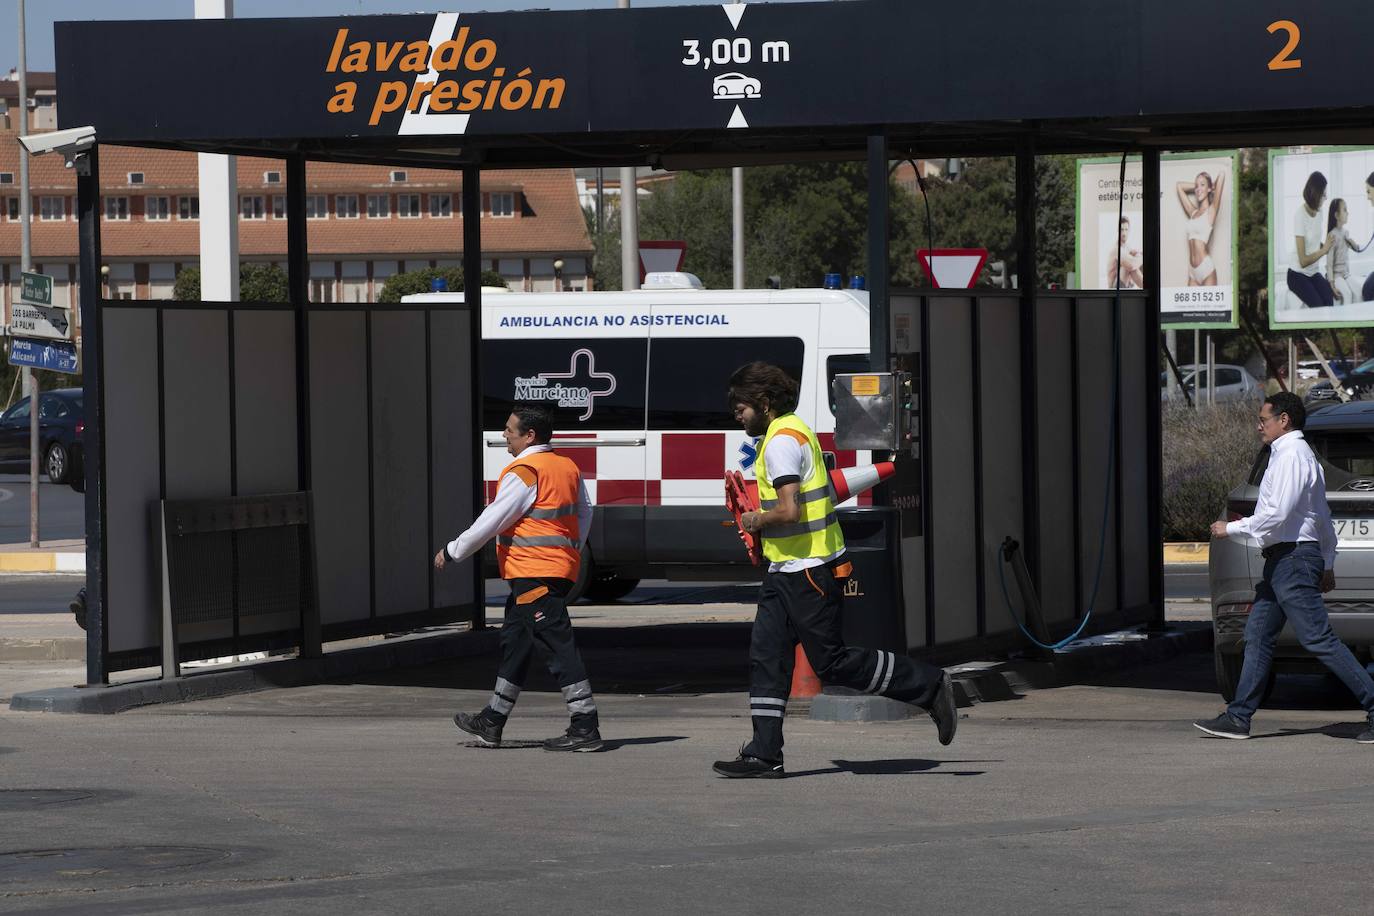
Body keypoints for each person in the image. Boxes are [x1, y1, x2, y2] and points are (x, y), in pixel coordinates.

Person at [712, 362, 957, 779]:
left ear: (764, 404)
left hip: (808, 572)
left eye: (741, 407)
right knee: (767, 657)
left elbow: (790, 510)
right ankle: (763, 753)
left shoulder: (781, 444)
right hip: (785, 570)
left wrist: (755, 520)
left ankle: (930, 686)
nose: (737, 414)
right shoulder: (787, 431)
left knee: (832, 663)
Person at [1195, 392, 1374, 743]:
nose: (1259, 426)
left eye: (1264, 419)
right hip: (1283, 561)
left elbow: (1276, 515)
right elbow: (1320, 515)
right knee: (1258, 637)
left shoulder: (1291, 455)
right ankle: (1238, 717)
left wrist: (1230, 528)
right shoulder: (1291, 455)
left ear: (1284, 420)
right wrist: (1328, 561)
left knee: (1317, 639)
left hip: (1292, 560)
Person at [435, 405, 602, 752]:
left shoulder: (525, 470)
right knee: (517, 643)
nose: (504, 436)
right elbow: (585, 512)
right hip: (552, 571)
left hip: (532, 572)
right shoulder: (566, 466)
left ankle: (585, 725)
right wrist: (570, 551)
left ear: (530, 436)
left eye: (510, 430)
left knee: (558, 647)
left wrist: (453, 550)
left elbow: (493, 518)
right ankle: (492, 721)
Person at [1286, 171, 1337, 307]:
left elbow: (1314, 243)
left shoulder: (1319, 213)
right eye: (1324, 194)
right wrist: (1324, 250)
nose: (1326, 198)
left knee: (1329, 301)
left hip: (1313, 272)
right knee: (1319, 306)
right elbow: (1303, 261)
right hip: (1297, 275)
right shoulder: (1299, 216)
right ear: (1315, 193)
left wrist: (1327, 245)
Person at [1176, 171, 1225, 286]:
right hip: (1192, 272)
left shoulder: (1211, 212)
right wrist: (1199, 187)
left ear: (1209, 188)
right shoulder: (1193, 212)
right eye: (1196, 186)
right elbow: (1179, 186)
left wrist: (1211, 186)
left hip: (1206, 269)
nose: (1198, 189)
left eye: (1202, 185)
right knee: (1189, 305)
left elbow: (1222, 175)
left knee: (1211, 305)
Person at [1326, 198, 1359, 304]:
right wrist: (1331, 284)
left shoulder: (1346, 233)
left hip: (1346, 274)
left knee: (1358, 291)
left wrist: (1352, 242)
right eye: (1345, 210)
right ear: (1336, 215)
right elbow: (1329, 264)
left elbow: (1357, 249)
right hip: (1336, 276)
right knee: (1347, 294)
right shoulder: (1332, 235)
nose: (1348, 212)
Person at [1105, 216, 1144, 289]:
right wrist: (1142, 257)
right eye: (1122, 229)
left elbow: (1137, 257)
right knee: (1128, 267)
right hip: (1114, 290)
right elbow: (1131, 265)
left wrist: (1139, 255)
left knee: (1137, 260)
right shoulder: (1116, 249)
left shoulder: (1127, 247)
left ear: (1129, 230)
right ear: (1118, 230)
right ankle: (1148, 287)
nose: (1124, 233)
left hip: (1125, 285)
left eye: (1126, 229)